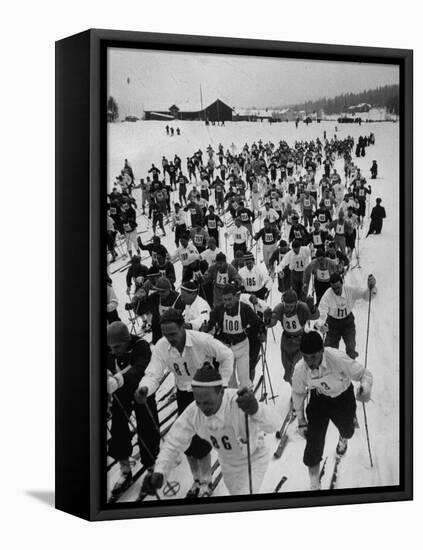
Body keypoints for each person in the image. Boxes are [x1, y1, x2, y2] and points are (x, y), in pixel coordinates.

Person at [135, 309, 234, 498]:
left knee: (202, 442)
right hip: (183, 394)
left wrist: (222, 384)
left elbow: (226, 355)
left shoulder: (201, 340)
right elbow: (153, 373)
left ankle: (206, 482)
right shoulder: (162, 346)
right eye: (165, 334)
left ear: (183, 328)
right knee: (187, 442)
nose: (169, 338)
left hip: (204, 394)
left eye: (173, 334)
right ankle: (196, 480)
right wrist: (145, 389)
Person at [141, 364, 282, 496]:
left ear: (221, 392)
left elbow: (275, 424)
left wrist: (256, 409)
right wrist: (160, 471)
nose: (203, 408)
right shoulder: (195, 411)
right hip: (228, 464)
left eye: (208, 402)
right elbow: (174, 441)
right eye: (198, 402)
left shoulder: (238, 402)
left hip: (253, 459)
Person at [292, 331, 373, 490]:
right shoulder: (300, 369)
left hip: (342, 397)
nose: (310, 362)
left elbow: (364, 374)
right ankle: (315, 485)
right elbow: (298, 392)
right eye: (306, 357)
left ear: (322, 350)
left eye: (313, 356)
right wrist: (301, 420)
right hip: (319, 399)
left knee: (348, 431)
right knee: (312, 447)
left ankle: (344, 436)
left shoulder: (337, 358)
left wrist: (365, 388)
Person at [107, 322, 160, 498]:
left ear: (127, 339)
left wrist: (119, 379)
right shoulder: (109, 349)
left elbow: (141, 368)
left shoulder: (141, 346)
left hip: (141, 390)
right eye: (111, 347)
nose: (114, 351)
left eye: (117, 346)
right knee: (118, 428)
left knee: (148, 428)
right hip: (120, 392)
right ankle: (125, 470)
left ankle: (151, 468)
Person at [204, 284, 266, 389]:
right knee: (228, 380)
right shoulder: (219, 310)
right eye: (224, 300)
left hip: (242, 347)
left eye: (229, 299)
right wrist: (206, 328)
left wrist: (261, 332)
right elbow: (211, 323)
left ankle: (246, 397)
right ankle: (232, 399)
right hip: (226, 348)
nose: (227, 303)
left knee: (244, 378)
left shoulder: (244, 308)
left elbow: (257, 322)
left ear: (236, 297)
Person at [316, 272, 376, 359]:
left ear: (342, 283)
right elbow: (321, 312)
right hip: (333, 323)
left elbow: (365, 296)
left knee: (351, 348)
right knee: (329, 350)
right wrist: (321, 325)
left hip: (348, 322)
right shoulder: (327, 295)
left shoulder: (350, 290)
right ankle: (330, 369)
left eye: (338, 287)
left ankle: (350, 367)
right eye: (334, 288)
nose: (336, 291)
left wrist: (371, 288)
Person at [265, 289, 311, 384]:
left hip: (300, 341)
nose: (289, 309)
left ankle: (300, 388)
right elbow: (271, 323)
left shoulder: (302, 307)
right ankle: (295, 389)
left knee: (296, 368)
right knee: (288, 373)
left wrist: (312, 308)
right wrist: (267, 319)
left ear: (296, 303)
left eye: (291, 306)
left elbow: (314, 318)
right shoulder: (280, 308)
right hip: (286, 341)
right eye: (287, 306)